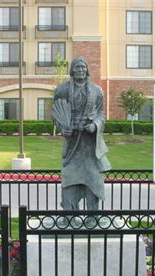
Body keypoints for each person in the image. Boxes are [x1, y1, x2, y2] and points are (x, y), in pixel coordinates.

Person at [53, 56, 111, 210]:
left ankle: (93, 218)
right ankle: (70, 217)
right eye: (77, 67)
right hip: (72, 143)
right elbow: (55, 113)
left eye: (83, 67)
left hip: (90, 145)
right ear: (72, 70)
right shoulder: (62, 90)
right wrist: (62, 128)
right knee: (69, 180)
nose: (80, 70)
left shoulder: (97, 90)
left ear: (87, 70)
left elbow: (101, 114)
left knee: (93, 180)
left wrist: (95, 125)